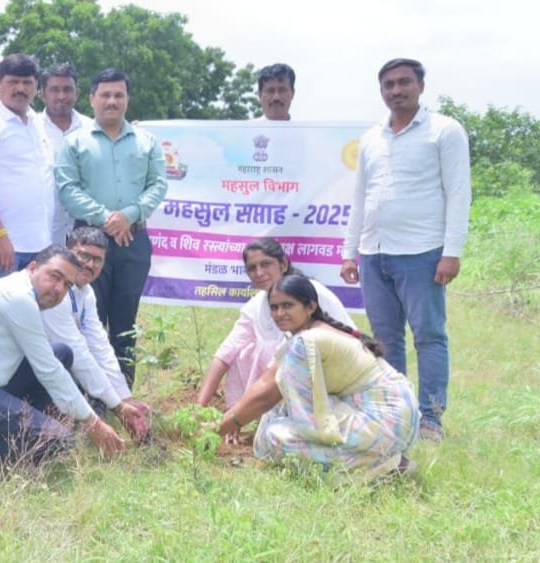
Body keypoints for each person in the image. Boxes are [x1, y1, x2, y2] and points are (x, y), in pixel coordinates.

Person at [340, 58, 471, 442]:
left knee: (429, 335)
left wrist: (452, 251)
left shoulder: (444, 131)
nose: (396, 91)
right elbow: (360, 199)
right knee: (385, 340)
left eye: (404, 83)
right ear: (381, 91)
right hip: (374, 253)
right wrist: (351, 252)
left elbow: (459, 193)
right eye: (388, 85)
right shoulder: (371, 138)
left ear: (420, 86)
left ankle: (430, 418)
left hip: (423, 251)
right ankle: (397, 413)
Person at [0, 245, 124, 479]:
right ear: (33, 267)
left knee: (61, 353)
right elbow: (48, 370)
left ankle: (15, 437)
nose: (59, 289)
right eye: (55, 276)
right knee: (57, 440)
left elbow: (56, 361)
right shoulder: (17, 298)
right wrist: (93, 423)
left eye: (67, 285)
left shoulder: (25, 292)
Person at [217, 275, 420, 481]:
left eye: (288, 306)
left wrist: (215, 429)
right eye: (274, 307)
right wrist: (228, 422)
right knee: (278, 413)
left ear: (310, 306)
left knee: (275, 435)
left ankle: (382, 467)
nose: (279, 313)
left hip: (384, 418)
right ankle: (378, 457)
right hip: (395, 412)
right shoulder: (308, 333)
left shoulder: (306, 341)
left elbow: (266, 396)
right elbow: (266, 382)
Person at [56, 68, 168, 385]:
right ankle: (90, 394)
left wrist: (129, 215)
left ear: (127, 100)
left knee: (125, 322)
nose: (112, 101)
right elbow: (68, 188)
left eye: (119, 95)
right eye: (105, 94)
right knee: (87, 318)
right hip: (87, 242)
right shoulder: (74, 142)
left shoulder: (148, 143)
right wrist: (108, 218)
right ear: (91, 99)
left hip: (133, 241)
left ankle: (123, 393)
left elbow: (158, 185)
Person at [197, 238, 353, 410]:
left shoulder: (312, 292)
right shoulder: (256, 305)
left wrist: (235, 419)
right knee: (243, 353)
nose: (259, 273)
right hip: (290, 376)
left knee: (272, 353)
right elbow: (226, 353)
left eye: (266, 264)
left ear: (283, 264)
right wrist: (199, 406)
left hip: (334, 375)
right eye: (252, 268)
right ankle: (261, 412)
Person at [41, 227, 150, 441]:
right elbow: (79, 354)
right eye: (83, 256)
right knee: (65, 355)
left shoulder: (86, 292)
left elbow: (99, 345)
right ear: (67, 251)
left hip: (50, 367)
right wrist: (118, 407)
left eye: (98, 260)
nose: (90, 265)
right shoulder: (56, 290)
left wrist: (125, 397)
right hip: (20, 371)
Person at [0, 54, 52, 281]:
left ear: (36, 87)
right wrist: (0, 235)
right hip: (3, 245)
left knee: (35, 313)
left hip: (41, 244)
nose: (20, 88)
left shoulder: (39, 123)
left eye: (27, 82)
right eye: (13, 82)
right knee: (2, 313)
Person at [40, 63, 92, 245]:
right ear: (42, 94)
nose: (61, 96)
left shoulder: (93, 129)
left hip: (84, 232)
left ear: (76, 93)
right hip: (42, 233)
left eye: (67, 90)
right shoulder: (31, 129)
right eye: (54, 90)